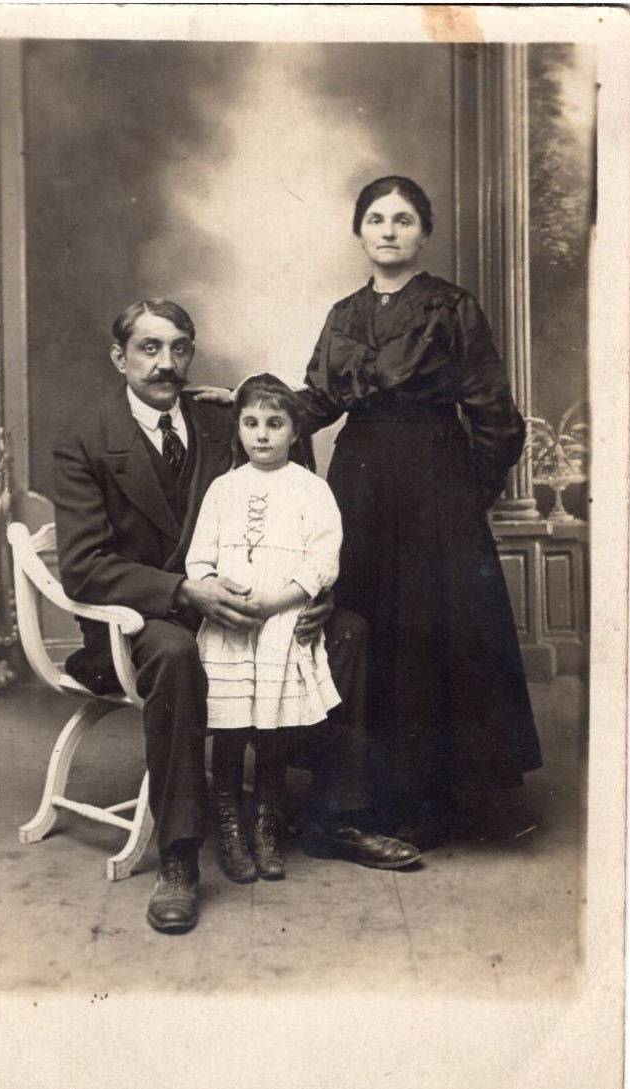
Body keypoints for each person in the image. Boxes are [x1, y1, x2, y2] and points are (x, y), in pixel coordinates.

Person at [52, 298, 420, 936]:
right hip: (141, 618)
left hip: (249, 604)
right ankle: (178, 858)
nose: (166, 364)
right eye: (148, 348)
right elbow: (83, 567)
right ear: (120, 358)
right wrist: (182, 592)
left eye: (178, 349)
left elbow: (289, 503)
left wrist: (311, 592)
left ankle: (332, 815)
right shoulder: (85, 438)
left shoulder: (225, 417)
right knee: (175, 652)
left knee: (349, 631)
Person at [299, 175, 543, 848]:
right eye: (375, 218)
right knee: (365, 625)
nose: (387, 230)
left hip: (435, 486)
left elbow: (497, 417)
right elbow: (314, 401)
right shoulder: (344, 315)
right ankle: (360, 791)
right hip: (358, 483)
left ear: (423, 232)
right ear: (359, 232)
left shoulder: (452, 307)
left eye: (402, 219)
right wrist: (240, 404)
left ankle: (430, 797)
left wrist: (465, 496)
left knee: (429, 634)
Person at [186, 374, 419, 884]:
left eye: (275, 424)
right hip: (229, 624)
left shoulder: (312, 490)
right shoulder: (223, 489)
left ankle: (268, 825)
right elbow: (198, 560)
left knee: (273, 728)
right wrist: (220, 593)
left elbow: (322, 561)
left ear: (295, 431)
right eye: (251, 423)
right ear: (238, 429)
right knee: (228, 727)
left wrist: (278, 602)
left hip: (283, 623)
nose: (262, 435)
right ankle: (231, 828)